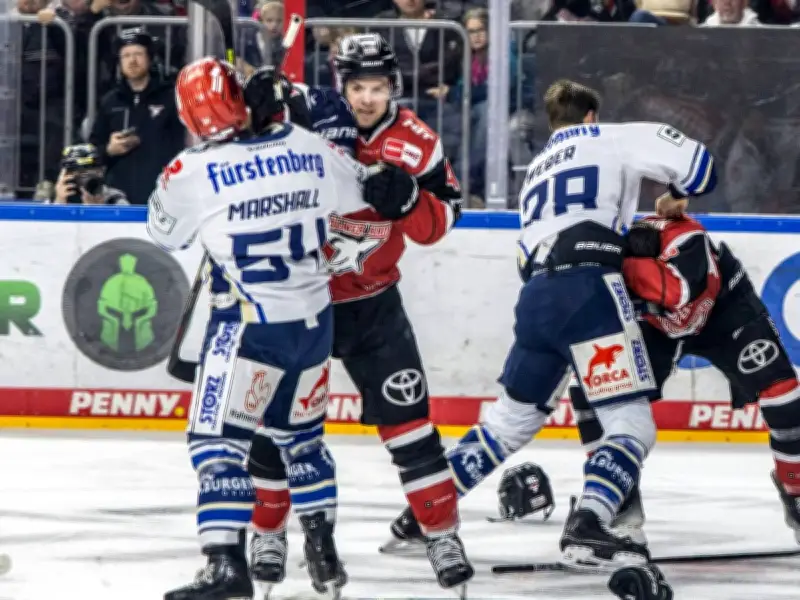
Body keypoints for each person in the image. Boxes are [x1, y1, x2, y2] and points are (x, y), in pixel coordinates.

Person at [383, 79, 718, 570]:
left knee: (509, 421)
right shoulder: (613, 136)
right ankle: (591, 520)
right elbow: (702, 168)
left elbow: (526, 256)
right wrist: (675, 196)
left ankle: (423, 512)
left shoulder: (536, 169)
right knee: (631, 422)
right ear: (590, 116)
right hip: (590, 289)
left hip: (537, 297)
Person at [149, 57, 421, 600]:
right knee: (302, 442)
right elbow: (367, 191)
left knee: (216, 442)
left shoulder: (188, 171)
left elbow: (164, 233)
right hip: (312, 325)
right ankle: (323, 548)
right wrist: (275, 123)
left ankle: (225, 565)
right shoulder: (307, 145)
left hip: (246, 328)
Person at [246, 33, 473, 597]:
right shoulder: (304, 122)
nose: (367, 98)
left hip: (374, 307)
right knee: (277, 428)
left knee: (412, 427)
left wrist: (410, 202)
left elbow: (442, 222)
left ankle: (441, 534)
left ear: (392, 86)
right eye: (356, 87)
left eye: (377, 87)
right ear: (340, 86)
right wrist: (254, 105)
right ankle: (267, 533)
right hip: (305, 303)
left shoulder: (416, 143)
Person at [565, 212, 800, 547]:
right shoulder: (613, 266)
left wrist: (643, 287)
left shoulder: (688, 243)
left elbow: (676, 293)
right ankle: (619, 501)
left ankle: (796, 490)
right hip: (654, 329)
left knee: (785, 398)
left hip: (724, 309)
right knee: (590, 390)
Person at [89, 28, 185, 205]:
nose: (132, 60)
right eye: (126, 55)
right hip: (119, 201)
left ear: (150, 58)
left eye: (138, 54)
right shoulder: (110, 101)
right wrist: (109, 150)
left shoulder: (171, 97)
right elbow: (93, 150)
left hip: (163, 197)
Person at [51, 144, 128, 205]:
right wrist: (59, 203)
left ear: (101, 171)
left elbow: (127, 220)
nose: (84, 179)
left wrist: (97, 211)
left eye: (90, 171)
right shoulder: (52, 199)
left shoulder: (115, 200)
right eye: (79, 172)